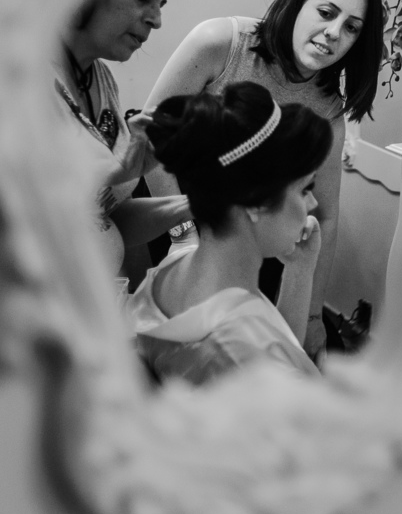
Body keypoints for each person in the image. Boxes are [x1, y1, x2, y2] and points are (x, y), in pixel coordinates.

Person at [143, 0, 384, 357]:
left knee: (296, 344)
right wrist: (183, 236)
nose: (333, 33)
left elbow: (325, 215)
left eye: (351, 28)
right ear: (298, 2)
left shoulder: (328, 111)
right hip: (174, 203)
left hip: (255, 224)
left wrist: (312, 315)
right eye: (326, 13)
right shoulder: (220, 43)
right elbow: (150, 138)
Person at [125, 82, 332, 385]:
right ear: (256, 200)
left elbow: (277, 339)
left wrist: (300, 272)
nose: (312, 204)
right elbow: (272, 358)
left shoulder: (169, 271)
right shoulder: (252, 363)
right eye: (305, 189)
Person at [54, 0, 192, 276]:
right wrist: (117, 171)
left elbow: (107, 218)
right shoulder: (21, 80)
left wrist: (197, 204)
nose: (156, 20)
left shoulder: (101, 79)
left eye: (160, 5)